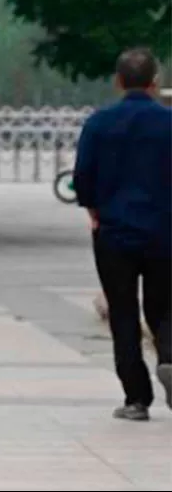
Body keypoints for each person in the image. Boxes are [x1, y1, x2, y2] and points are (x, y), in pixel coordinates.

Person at [73, 46, 171, 421]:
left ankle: (136, 398)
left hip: (114, 232)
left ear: (117, 81)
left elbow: (83, 177)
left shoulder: (99, 123)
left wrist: (95, 209)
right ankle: (170, 358)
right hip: (166, 231)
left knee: (124, 310)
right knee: (165, 306)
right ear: (154, 82)